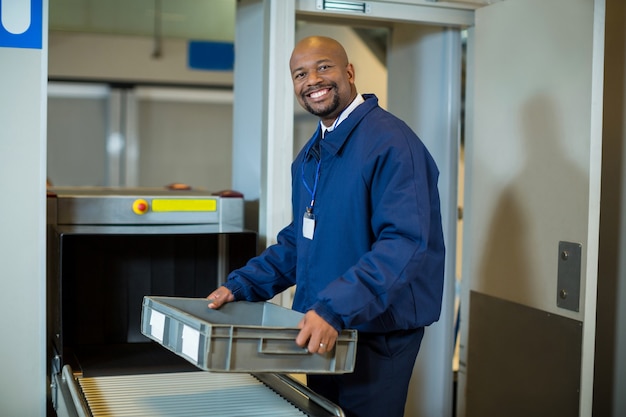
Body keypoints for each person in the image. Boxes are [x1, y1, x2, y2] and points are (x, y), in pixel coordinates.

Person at [207, 35, 445, 417]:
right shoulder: (312, 155)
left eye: (323, 67)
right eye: (300, 74)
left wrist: (335, 309)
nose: (312, 80)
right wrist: (241, 286)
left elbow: (404, 243)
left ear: (349, 72)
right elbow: (300, 242)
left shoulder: (391, 143)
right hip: (323, 330)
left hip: (373, 334)